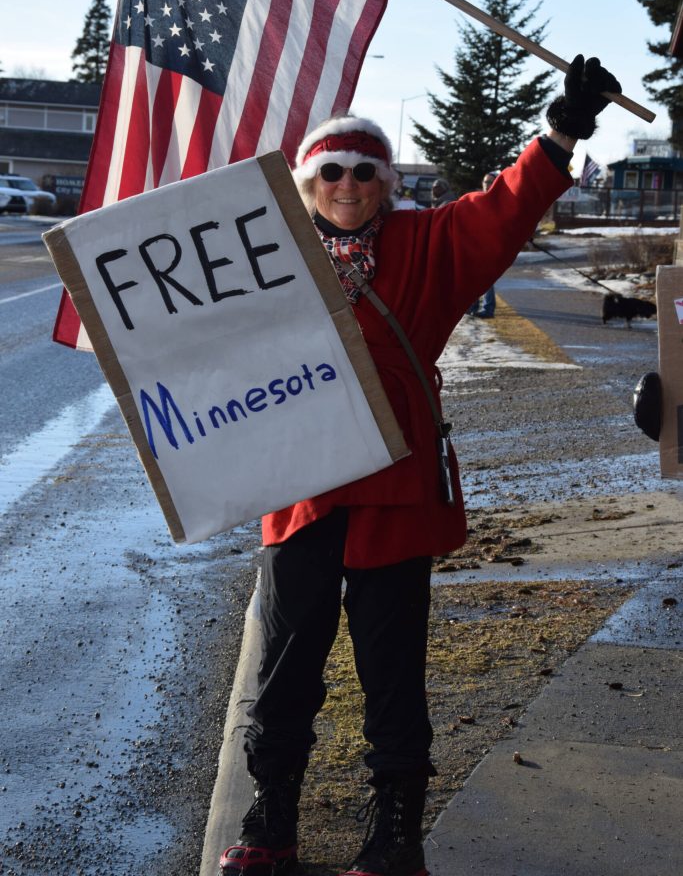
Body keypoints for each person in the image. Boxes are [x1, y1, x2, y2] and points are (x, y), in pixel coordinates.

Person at [220, 54, 621, 876]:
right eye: (328, 171)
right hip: (299, 492)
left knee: (392, 668)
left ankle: (394, 836)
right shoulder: (263, 258)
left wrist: (562, 129)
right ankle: (271, 822)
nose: (346, 183)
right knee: (286, 664)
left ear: (385, 182)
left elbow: (501, 211)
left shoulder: (425, 244)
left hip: (394, 491)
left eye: (364, 170)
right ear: (305, 183)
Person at [466, 170, 500, 317]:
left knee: (487, 279)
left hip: (491, 244)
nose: (487, 185)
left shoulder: (500, 200)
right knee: (473, 277)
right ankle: (473, 306)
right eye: (485, 182)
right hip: (476, 242)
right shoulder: (479, 198)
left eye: (490, 182)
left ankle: (488, 308)